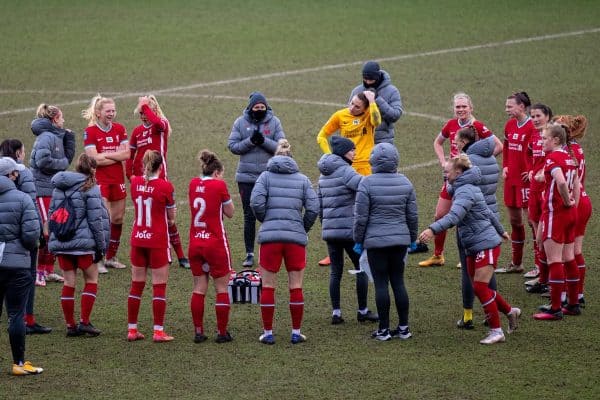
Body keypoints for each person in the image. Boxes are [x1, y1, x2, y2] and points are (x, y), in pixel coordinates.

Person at [419, 155, 520, 345]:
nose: (444, 174)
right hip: (475, 243)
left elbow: (454, 216)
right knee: (479, 286)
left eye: (447, 172)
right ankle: (510, 311)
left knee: (481, 287)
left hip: (485, 244)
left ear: (458, 172)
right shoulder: (466, 187)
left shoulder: (465, 191)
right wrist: (501, 230)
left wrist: (432, 230)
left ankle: (496, 331)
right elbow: (487, 211)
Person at [250, 139, 319, 345]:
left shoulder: (265, 177)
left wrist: (266, 220)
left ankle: (268, 332)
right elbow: (313, 208)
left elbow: (256, 202)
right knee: (295, 285)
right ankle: (296, 332)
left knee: (268, 286)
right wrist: (301, 227)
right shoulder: (303, 179)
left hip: (270, 238)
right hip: (295, 239)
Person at [419, 93, 498, 268]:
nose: (461, 110)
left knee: (467, 217)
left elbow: (498, 146)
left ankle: (470, 255)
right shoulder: (451, 124)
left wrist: (478, 162)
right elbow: (437, 143)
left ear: (471, 107)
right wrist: (443, 162)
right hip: (452, 178)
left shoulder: (477, 126)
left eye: (464, 106)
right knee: (440, 214)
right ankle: (438, 255)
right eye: (457, 107)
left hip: (469, 179)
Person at [353, 143, 418, 341]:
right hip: (400, 242)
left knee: (381, 284)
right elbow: (412, 215)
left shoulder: (367, 183)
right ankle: (404, 328)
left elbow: (360, 217)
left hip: (375, 242)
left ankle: (383, 329)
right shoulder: (406, 182)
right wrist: (412, 239)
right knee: (398, 281)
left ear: (373, 161)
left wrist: (359, 240)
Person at [317, 136, 377, 325]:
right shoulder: (345, 171)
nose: (355, 153)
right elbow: (366, 186)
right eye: (352, 150)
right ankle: (362, 311)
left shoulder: (323, 175)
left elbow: (319, 206)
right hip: (350, 232)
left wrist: (326, 225)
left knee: (336, 271)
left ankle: (336, 313)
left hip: (330, 232)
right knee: (361, 268)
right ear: (344, 152)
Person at [48, 154, 108, 337]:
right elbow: (96, 221)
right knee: (91, 280)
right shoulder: (91, 188)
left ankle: (70, 325)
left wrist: (53, 242)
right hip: (84, 245)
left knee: (68, 283)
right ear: (92, 169)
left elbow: (52, 215)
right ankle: (84, 322)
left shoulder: (59, 187)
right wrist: (101, 247)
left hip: (62, 243)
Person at [126, 95, 189, 269]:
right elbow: (130, 156)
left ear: (154, 111)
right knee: (143, 218)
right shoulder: (137, 131)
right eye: (141, 113)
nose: (143, 115)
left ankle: (181, 256)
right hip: (143, 182)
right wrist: (130, 176)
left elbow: (158, 123)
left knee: (169, 220)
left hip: (160, 180)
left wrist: (145, 105)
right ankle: (144, 255)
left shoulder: (161, 125)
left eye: (146, 112)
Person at [228, 92, 285, 268]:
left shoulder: (274, 122)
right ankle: (250, 254)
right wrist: (251, 141)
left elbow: (282, 147)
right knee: (249, 216)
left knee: (270, 214)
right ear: (250, 108)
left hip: (268, 176)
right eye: (256, 107)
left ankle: (270, 252)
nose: (259, 110)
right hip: (246, 178)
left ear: (266, 108)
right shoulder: (240, 122)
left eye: (262, 107)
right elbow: (233, 146)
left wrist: (264, 141)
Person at [0, 140, 51, 335]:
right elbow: (30, 205)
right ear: (19, 153)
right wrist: (37, 235)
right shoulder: (24, 175)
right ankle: (26, 319)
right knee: (26, 277)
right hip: (21, 238)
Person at [126, 151, 177, 342]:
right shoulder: (165, 186)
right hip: (157, 241)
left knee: (136, 286)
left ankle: (132, 330)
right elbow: (171, 218)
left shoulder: (135, 183)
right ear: (160, 167)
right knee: (159, 287)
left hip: (138, 239)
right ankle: (158, 331)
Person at [454, 127, 501, 329]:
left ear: (464, 142)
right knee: (488, 271)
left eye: (456, 141)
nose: (455, 144)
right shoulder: (491, 157)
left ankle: (467, 316)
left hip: (471, 220)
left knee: (468, 270)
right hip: (491, 216)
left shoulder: (464, 163)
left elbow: (455, 193)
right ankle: (492, 313)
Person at [0, 157, 44, 375]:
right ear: (11, 175)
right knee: (16, 314)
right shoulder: (23, 199)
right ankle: (18, 363)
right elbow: (31, 235)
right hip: (17, 265)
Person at [533, 123, 580, 320]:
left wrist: (565, 201)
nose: (541, 142)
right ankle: (573, 303)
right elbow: (575, 182)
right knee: (569, 257)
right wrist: (573, 203)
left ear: (556, 140)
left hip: (556, 213)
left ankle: (555, 308)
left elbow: (561, 182)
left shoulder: (553, 158)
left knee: (554, 261)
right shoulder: (569, 158)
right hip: (570, 214)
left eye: (544, 138)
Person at [188, 150, 235, 343]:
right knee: (222, 289)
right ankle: (222, 333)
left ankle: (198, 332)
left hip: (195, 242)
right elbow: (230, 213)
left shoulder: (192, 184)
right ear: (216, 173)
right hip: (215, 244)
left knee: (199, 288)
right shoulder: (219, 185)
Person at [30, 104, 76, 286]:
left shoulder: (55, 136)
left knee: (54, 230)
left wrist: (70, 140)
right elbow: (42, 161)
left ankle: (48, 270)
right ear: (55, 119)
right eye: (62, 118)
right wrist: (63, 163)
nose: (64, 121)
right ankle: (38, 272)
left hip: (53, 189)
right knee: (47, 231)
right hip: (42, 190)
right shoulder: (46, 137)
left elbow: (64, 159)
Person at [83, 95, 130, 273]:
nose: (112, 114)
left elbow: (127, 155)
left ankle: (111, 257)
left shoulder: (120, 129)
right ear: (98, 112)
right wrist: (115, 155)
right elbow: (94, 159)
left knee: (117, 219)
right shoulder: (91, 132)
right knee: (102, 219)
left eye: (113, 110)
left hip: (118, 179)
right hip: (100, 181)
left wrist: (105, 155)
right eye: (108, 111)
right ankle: (99, 258)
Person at [496, 92, 536, 274]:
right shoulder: (510, 125)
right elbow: (506, 147)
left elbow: (536, 152)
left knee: (532, 222)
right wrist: (505, 166)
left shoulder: (532, 127)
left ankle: (538, 266)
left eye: (509, 106)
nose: (506, 110)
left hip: (526, 182)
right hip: (510, 179)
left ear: (522, 106)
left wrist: (533, 170)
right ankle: (517, 263)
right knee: (514, 221)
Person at [554, 115, 590, 307]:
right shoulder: (577, 148)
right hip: (583, 200)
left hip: (573, 203)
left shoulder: (565, 152)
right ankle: (577, 292)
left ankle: (567, 294)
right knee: (574, 251)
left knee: (567, 253)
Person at [523, 104, 553, 286]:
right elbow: (527, 153)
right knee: (534, 225)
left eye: (538, 116)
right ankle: (539, 267)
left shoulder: (553, 136)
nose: (534, 119)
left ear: (547, 116)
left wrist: (542, 170)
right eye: (532, 116)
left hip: (547, 187)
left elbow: (555, 157)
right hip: (534, 186)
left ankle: (550, 270)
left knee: (546, 230)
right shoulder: (534, 135)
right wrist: (530, 170)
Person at [317, 91, 381, 176]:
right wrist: (329, 155)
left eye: (357, 107)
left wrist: (372, 102)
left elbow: (377, 122)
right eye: (352, 103)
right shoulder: (340, 115)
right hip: (346, 165)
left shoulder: (369, 114)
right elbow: (321, 136)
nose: (352, 108)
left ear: (365, 109)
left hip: (366, 165)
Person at [349, 60, 403, 145]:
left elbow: (395, 115)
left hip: (383, 142)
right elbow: (349, 116)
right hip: (361, 142)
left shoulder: (392, 91)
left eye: (371, 80)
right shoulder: (357, 91)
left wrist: (377, 99)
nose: (368, 82)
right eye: (365, 79)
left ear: (378, 77)